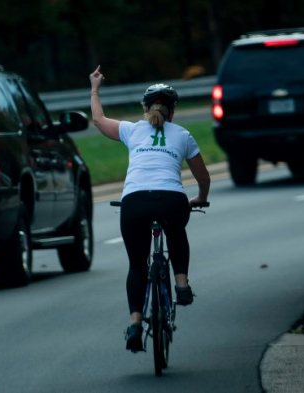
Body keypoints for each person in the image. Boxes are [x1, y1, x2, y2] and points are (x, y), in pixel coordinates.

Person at [89, 65, 211, 353]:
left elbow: (98, 120)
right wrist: (201, 197)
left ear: (145, 108)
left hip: (135, 202)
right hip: (172, 200)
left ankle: (134, 324)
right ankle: (181, 284)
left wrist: (95, 88)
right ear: (173, 112)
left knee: (136, 264)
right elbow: (203, 176)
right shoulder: (183, 134)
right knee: (176, 230)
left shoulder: (131, 130)